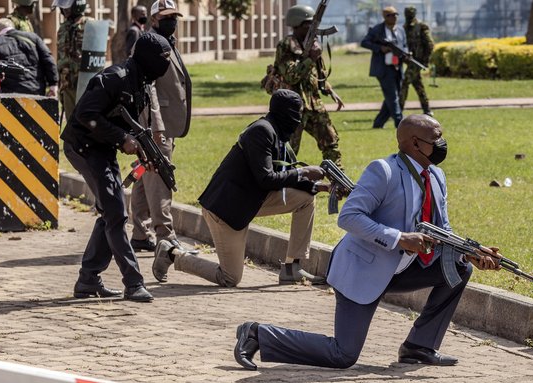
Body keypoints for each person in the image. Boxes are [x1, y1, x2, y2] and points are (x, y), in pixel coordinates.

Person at [233, 114, 502, 371]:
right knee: (343, 354)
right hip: (362, 271)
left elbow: (441, 228)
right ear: (415, 143)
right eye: (436, 138)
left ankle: (419, 347)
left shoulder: (436, 176)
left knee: (458, 268)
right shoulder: (383, 171)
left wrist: (469, 253)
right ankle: (257, 334)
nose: (442, 143)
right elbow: (349, 217)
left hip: (401, 269)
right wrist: (399, 238)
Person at [152, 89, 328, 287]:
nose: (299, 121)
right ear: (285, 114)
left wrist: (321, 187)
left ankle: (292, 268)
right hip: (226, 209)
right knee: (230, 278)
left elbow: (281, 175)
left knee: (305, 199)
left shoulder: (276, 134)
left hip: (251, 200)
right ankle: (171, 254)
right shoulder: (261, 131)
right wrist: (303, 172)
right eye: (296, 114)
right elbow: (267, 179)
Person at [60, 33, 172, 302]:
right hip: (83, 146)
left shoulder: (142, 82)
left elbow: (130, 124)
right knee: (116, 213)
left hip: (103, 148)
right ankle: (133, 282)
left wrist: (146, 155)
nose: (165, 65)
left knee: (111, 212)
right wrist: (123, 139)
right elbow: (86, 115)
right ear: (148, 59)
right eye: (162, 59)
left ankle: (88, 279)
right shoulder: (115, 78)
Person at [129, 0, 191, 253]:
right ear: (153, 19)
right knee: (161, 176)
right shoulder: (150, 44)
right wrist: (156, 128)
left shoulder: (167, 42)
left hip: (162, 123)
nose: (172, 22)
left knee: (145, 176)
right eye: (166, 17)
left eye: (174, 16)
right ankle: (166, 235)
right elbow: (148, 87)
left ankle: (140, 234)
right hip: (156, 125)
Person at [272, 5, 343, 167]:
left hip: (314, 105)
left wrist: (330, 90)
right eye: (308, 24)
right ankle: (281, 186)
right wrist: (310, 57)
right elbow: (291, 76)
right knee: (288, 150)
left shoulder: (313, 45)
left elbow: (318, 75)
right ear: (296, 25)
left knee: (331, 143)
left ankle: (338, 184)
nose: (314, 28)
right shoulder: (286, 46)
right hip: (293, 108)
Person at [0, 18, 58, 96]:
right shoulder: (33, 38)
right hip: (35, 90)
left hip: (8, 95)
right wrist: (53, 85)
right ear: (12, 27)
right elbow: (48, 60)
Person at [361, 6, 407, 129]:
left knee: (392, 96)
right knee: (392, 96)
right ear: (385, 17)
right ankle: (400, 123)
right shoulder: (377, 30)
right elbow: (364, 42)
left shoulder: (401, 30)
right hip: (383, 68)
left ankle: (378, 123)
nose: (394, 17)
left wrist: (407, 53)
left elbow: (405, 45)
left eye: (396, 15)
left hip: (397, 67)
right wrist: (380, 48)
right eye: (391, 15)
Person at [55, 0, 91, 123]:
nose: (64, 11)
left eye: (67, 8)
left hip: (86, 83)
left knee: (86, 121)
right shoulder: (63, 28)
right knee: (71, 122)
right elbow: (60, 57)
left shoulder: (90, 25)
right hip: (67, 83)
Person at [400, 6, 434, 116]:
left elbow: (429, 44)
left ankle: (398, 111)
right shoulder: (404, 28)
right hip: (410, 61)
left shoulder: (421, 26)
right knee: (418, 84)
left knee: (404, 83)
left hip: (418, 61)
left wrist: (425, 60)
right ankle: (427, 109)